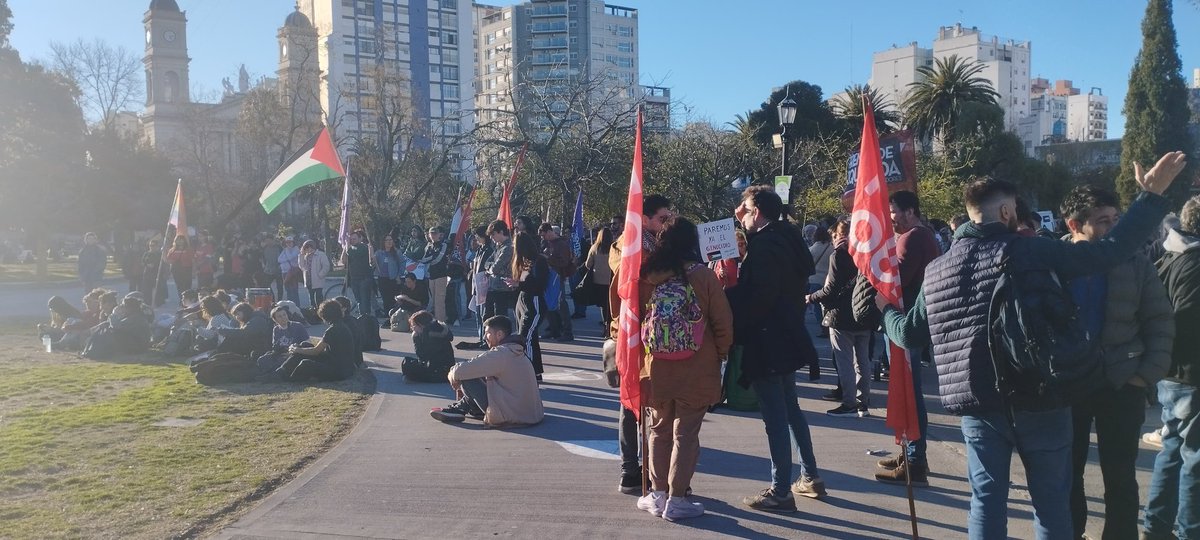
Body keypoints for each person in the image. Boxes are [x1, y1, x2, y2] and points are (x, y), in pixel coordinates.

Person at [877, 151, 1185, 539]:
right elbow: (1110, 251)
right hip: (1040, 397)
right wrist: (1151, 196)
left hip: (979, 404)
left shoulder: (939, 269)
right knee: (1051, 502)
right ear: (1006, 212)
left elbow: (908, 334)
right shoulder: (1034, 250)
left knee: (986, 501)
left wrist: (886, 309)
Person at [1054, 186, 1174, 539]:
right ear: (1074, 225)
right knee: (1068, 474)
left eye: (1116, 219)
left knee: (1120, 477)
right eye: (1103, 221)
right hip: (1070, 385)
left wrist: (1145, 376)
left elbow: (1161, 321)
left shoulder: (1135, 262)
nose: (1114, 228)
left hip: (1122, 384)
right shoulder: (1055, 261)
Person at [729, 186, 824, 512]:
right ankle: (809, 475)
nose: (739, 213)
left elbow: (760, 296)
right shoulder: (788, 237)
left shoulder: (767, 244)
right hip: (788, 333)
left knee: (775, 415)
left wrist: (732, 307)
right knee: (790, 408)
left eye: (744, 208)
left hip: (768, 338)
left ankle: (781, 490)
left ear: (758, 212)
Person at [632, 218, 734, 521]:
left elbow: (631, 315)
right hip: (697, 365)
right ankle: (677, 500)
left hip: (657, 364)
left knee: (659, 430)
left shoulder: (649, 277)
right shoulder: (702, 276)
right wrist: (721, 354)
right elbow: (723, 322)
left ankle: (657, 493)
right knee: (685, 434)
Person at [870, 190, 942, 485]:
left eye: (894, 212)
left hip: (907, 323)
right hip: (903, 321)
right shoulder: (916, 236)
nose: (890, 219)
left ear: (910, 211)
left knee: (910, 394)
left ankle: (915, 460)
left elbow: (896, 277)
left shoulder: (914, 237)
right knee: (904, 390)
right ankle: (909, 452)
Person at [608, 193, 673, 494]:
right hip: (637, 334)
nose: (667, 223)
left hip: (647, 333)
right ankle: (632, 469)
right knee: (633, 401)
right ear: (644, 219)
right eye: (663, 218)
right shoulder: (632, 249)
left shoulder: (650, 245)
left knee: (646, 402)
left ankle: (644, 469)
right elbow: (619, 293)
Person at [1144, 194, 1200, 540]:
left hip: (1173, 372)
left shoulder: (1172, 256)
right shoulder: (1194, 263)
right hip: (1191, 372)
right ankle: (1187, 531)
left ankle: (1158, 527)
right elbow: (1187, 319)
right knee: (1193, 457)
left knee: (1174, 451)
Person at [807, 218, 874, 418]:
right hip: (863, 312)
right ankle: (863, 402)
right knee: (863, 360)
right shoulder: (866, 251)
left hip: (841, 314)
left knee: (844, 360)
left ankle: (849, 403)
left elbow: (831, 289)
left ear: (839, 235)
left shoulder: (839, 255)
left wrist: (811, 297)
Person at [430, 315, 544, 427]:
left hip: (511, 414)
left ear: (499, 334)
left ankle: (461, 409)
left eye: (487, 333)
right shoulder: (515, 350)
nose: (484, 337)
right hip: (529, 413)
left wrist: (453, 376)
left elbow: (461, 370)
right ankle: (463, 408)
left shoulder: (501, 354)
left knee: (468, 376)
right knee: (478, 372)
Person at [279, 300, 357, 382]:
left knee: (306, 363)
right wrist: (300, 349)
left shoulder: (333, 330)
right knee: (305, 345)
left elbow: (316, 351)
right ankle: (282, 371)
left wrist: (296, 350)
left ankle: (287, 379)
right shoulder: (341, 325)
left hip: (339, 371)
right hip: (342, 365)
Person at [511, 231, 548, 379]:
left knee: (526, 337)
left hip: (534, 301)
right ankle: (535, 371)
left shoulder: (539, 261)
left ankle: (531, 371)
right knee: (528, 337)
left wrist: (519, 283)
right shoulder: (526, 261)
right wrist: (516, 283)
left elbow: (539, 285)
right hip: (524, 300)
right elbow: (525, 282)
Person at [458, 226, 494, 350]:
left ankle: (486, 338)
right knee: (478, 314)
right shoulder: (480, 249)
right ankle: (481, 337)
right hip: (476, 285)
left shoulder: (490, 249)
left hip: (484, 285)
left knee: (485, 314)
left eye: (478, 236)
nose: (476, 238)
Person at [539, 223, 575, 342]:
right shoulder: (546, 243)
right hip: (547, 277)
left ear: (550, 232)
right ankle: (554, 330)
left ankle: (567, 332)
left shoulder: (561, 244)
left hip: (557, 276)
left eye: (544, 235)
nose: (543, 238)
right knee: (549, 304)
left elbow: (564, 262)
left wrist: (547, 258)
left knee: (561, 305)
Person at [401, 310, 455, 382]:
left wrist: (416, 339)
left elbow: (422, 356)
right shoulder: (437, 329)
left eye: (414, 325)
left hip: (438, 372)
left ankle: (413, 377)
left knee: (407, 363)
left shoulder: (429, 335)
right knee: (408, 363)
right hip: (445, 369)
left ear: (421, 325)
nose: (412, 328)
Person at [583, 226, 614, 338]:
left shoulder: (595, 248)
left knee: (603, 305)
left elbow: (588, 264)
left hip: (598, 280)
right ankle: (611, 326)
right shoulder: (614, 247)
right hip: (612, 280)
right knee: (611, 304)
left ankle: (605, 326)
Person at [483, 220, 517, 324]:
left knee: (500, 319)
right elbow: (487, 263)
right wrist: (491, 268)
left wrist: (492, 269)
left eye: (493, 234)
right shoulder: (498, 247)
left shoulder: (508, 248)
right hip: (493, 286)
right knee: (487, 316)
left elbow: (495, 268)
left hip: (503, 288)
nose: (491, 237)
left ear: (501, 232)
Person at [341, 230, 376, 316]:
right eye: (351, 239)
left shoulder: (363, 247)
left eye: (354, 239)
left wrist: (348, 248)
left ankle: (365, 317)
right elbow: (343, 260)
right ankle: (364, 316)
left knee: (364, 300)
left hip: (364, 278)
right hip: (354, 278)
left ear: (360, 239)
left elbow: (356, 254)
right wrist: (345, 248)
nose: (352, 241)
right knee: (359, 300)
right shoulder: (350, 249)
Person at [420, 226, 451, 323]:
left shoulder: (444, 245)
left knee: (439, 301)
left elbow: (438, 258)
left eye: (435, 233)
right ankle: (435, 321)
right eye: (431, 233)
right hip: (431, 275)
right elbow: (424, 259)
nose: (433, 235)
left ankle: (441, 323)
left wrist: (430, 258)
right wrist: (431, 258)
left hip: (441, 275)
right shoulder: (428, 246)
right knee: (432, 301)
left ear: (439, 235)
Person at [375, 235, 405, 316]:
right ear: (383, 242)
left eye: (390, 240)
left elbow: (402, 264)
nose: (389, 242)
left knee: (393, 299)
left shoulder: (397, 252)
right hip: (382, 279)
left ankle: (394, 316)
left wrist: (399, 275)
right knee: (385, 298)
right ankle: (387, 315)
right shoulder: (379, 253)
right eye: (387, 240)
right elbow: (373, 263)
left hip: (393, 279)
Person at [333, 296, 366, 368]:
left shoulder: (342, 324)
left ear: (344, 309)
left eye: (334, 306)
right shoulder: (353, 320)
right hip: (356, 360)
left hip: (347, 362)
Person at [299, 240, 330, 308]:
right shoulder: (305, 256)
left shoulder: (320, 254)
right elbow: (301, 266)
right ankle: (313, 312)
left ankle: (321, 311)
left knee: (318, 298)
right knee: (311, 298)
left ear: (313, 247)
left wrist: (320, 275)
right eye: (305, 248)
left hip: (317, 280)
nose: (307, 249)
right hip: (308, 280)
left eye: (308, 247)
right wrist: (301, 255)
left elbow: (326, 266)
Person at [165, 235, 195, 303]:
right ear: (175, 241)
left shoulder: (188, 249)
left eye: (182, 239)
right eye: (178, 240)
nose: (180, 241)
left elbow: (193, 261)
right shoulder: (172, 250)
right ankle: (182, 301)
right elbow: (168, 260)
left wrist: (194, 271)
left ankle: (189, 301)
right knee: (180, 286)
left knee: (187, 286)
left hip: (187, 270)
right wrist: (163, 251)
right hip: (176, 271)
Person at [278, 235, 301, 303]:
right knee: (288, 290)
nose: (289, 244)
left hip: (292, 272)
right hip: (284, 272)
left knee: (294, 290)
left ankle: (297, 306)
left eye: (290, 242)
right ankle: (290, 305)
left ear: (293, 242)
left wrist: (286, 254)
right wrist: (285, 258)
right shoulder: (285, 250)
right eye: (287, 242)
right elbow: (279, 259)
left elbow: (290, 257)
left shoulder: (296, 249)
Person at [260, 236, 284, 301]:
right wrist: (265, 265)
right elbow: (264, 258)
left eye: (269, 240)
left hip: (278, 270)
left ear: (273, 240)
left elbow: (283, 256)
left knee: (279, 287)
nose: (268, 242)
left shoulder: (279, 247)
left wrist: (280, 266)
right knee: (266, 285)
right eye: (266, 241)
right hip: (268, 270)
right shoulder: (265, 248)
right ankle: (272, 299)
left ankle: (279, 300)